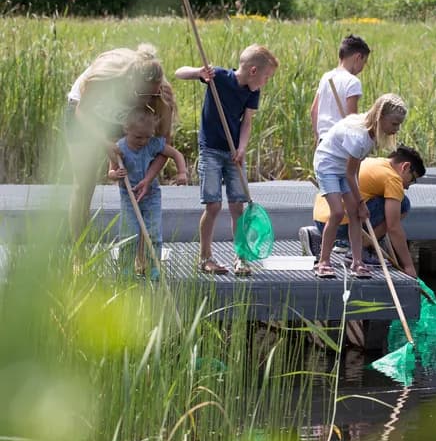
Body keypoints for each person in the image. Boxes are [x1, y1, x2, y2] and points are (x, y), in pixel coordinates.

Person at [174, 44, 279, 277]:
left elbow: (247, 122)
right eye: (266, 77)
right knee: (213, 205)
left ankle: (240, 257)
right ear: (253, 71)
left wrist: (242, 148)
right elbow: (179, 72)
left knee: (237, 207)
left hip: (233, 154)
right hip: (211, 150)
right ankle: (205, 257)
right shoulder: (219, 77)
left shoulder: (252, 92)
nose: (266, 82)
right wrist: (199, 72)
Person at [66, 43, 176, 240]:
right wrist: (104, 142)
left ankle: (138, 249)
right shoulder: (106, 77)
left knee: (135, 180)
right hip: (87, 113)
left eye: (152, 95)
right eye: (143, 94)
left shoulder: (159, 93)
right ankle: (79, 251)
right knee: (84, 183)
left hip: (122, 118)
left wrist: (148, 178)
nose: (148, 100)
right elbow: (82, 111)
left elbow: (164, 145)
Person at [311, 94, 407, 278]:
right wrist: (362, 202)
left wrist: (358, 203)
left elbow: (356, 169)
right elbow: (350, 173)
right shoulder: (359, 137)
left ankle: (357, 262)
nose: (397, 129)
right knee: (337, 212)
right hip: (328, 165)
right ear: (380, 117)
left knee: (355, 214)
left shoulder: (371, 134)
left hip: (344, 168)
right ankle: (323, 261)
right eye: (394, 124)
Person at [301, 145, 426, 278]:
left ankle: (320, 236)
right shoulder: (392, 178)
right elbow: (393, 227)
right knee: (403, 204)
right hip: (344, 224)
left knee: (380, 200)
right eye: (412, 179)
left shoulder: (373, 161)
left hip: (322, 220)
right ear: (405, 166)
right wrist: (408, 266)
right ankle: (362, 249)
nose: (407, 186)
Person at [107, 108, 188, 281]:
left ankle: (154, 268)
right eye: (138, 137)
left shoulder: (152, 144)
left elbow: (175, 154)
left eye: (147, 137)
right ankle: (126, 269)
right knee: (129, 234)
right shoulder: (120, 148)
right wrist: (116, 174)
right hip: (129, 197)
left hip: (151, 196)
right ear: (127, 129)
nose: (143, 141)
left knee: (153, 233)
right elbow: (110, 172)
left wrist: (182, 172)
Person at [310, 35, 370, 143]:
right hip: (339, 142)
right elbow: (352, 120)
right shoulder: (353, 82)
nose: (363, 67)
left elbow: (314, 111)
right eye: (364, 62)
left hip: (323, 140)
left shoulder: (326, 77)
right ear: (358, 57)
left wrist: (318, 137)